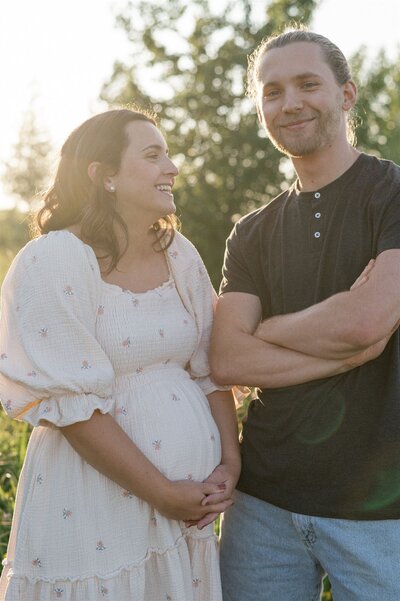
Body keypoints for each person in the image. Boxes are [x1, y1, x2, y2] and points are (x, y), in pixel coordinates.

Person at [0, 107, 240, 601]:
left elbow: (209, 370)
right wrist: (162, 492)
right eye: (153, 155)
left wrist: (229, 464)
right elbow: (75, 408)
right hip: (94, 503)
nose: (172, 167)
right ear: (103, 175)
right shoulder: (54, 258)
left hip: (185, 518)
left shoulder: (178, 252)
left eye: (168, 154)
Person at [211, 28, 400, 601]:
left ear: (346, 94)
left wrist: (268, 330)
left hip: (378, 510)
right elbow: (227, 358)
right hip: (261, 505)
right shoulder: (250, 233)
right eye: (272, 92)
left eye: (307, 84)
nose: (289, 102)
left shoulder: (391, 194)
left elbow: (365, 324)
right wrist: (345, 352)